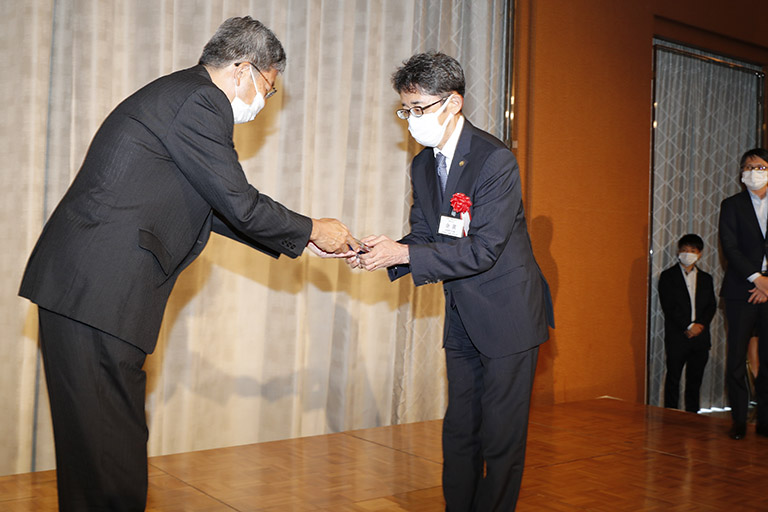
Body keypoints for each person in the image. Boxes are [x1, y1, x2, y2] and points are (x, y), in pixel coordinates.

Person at [19, 16, 357, 511]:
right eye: (269, 87)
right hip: (98, 294)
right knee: (110, 466)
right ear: (243, 69)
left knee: (98, 459)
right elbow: (237, 201)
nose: (265, 101)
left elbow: (217, 208)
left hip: (87, 293)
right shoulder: (200, 102)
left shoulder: (180, 97)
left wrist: (302, 240)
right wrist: (312, 228)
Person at [350, 52, 554, 511]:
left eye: (420, 109)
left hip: (508, 317)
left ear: (453, 102)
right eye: (405, 109)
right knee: (460, 429)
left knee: (501, 439)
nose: (411, 120)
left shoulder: (494, 160)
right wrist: (380, 254)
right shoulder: (423, 166)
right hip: (463, 313)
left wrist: (404, 254)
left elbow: (483, 248)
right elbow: (424, 236)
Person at [719, 147, 768, 440]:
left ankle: (764, 419)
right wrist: (757, 279)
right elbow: (729, 246)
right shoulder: (732, 205)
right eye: (748, 167)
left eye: (760, 166)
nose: (753, 171)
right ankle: (738, 420)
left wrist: (767, 284)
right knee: (736, 358)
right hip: (741, 291)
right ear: (741, 174)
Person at [658, 234, 716, 413]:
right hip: (678, 336)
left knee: (695, 380)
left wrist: (700, 325)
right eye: (684, 250)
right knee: (673, 379)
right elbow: (669, 306)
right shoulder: (668, 276)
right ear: (678, 252)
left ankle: (693, 415)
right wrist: (688, 326)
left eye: (692, 251)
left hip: (700, 338)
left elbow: (711, 306)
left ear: (700, 254)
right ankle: (671, 416)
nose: (687, 254)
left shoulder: (706, 278)